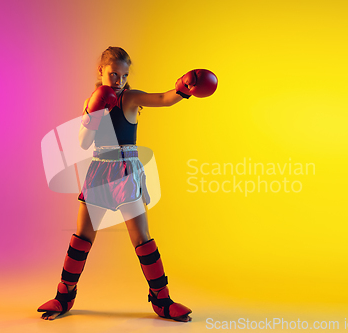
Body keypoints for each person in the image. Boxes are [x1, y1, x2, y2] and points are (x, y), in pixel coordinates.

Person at [37, 46, 217, 322]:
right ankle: (65, 295)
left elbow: (161, 98)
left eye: (123, 75)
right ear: (101, 71)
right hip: (99, 170)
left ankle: (162, 299)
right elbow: (84, 142)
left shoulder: (131, 98)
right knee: (82, 237)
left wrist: (182, 89)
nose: (119, 81)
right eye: (113, 74)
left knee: (141, 238)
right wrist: (94, 110)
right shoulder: (92, 99)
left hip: (125, 171)